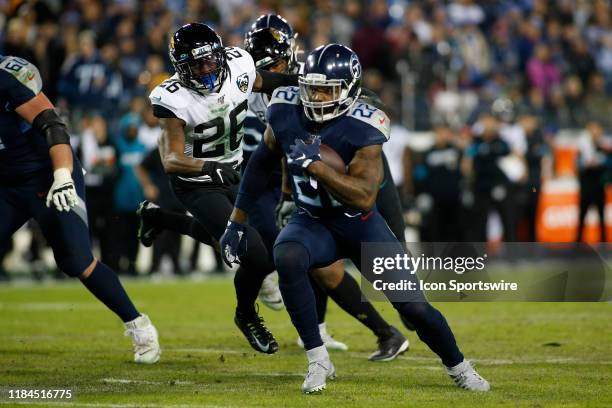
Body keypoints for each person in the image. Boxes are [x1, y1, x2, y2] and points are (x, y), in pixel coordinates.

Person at [221, 44, 490, 394]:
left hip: (359, 224)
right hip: (312, 220)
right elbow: (259, 166)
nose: (315, 97)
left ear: (349, 89)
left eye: (326, 89)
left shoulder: (365, 123)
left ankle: (459, 366)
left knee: (415, 309)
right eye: (310, 87)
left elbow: (364, 197)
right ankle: (318, 360)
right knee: (286, 254)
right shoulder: (286, 108)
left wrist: (315, 164)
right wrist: (235, 221)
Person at [242, 14, 408, 359]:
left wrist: (264, 79)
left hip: (361, 174)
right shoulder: (265, 96)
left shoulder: (318, 72)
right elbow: (288, 147)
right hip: (312, 176)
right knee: (314, 261)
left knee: (393, 269)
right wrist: (289, 193)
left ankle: (402, 325)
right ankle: (348, 332)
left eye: (273, 62)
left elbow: (369, 98)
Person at [137, 23, 301, 354]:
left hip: (233, 170)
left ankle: (160, 219)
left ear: (221, 55)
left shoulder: (239, 63)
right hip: (195, 181)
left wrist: (304, 83)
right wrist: (212, 168)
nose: (205, 69)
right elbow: (171, 160)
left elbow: (261, 81)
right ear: (180, 67)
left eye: (210, 61)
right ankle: (246, 315)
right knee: (254, 254)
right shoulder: (173, 97)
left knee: (228, 240)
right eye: (195, 65)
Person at [0, 55, 160, 363]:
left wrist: (62, 175)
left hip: (47, 176)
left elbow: (52, 125)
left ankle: (139, 325)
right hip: (6, 185)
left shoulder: (7, 78)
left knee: (75, 259)